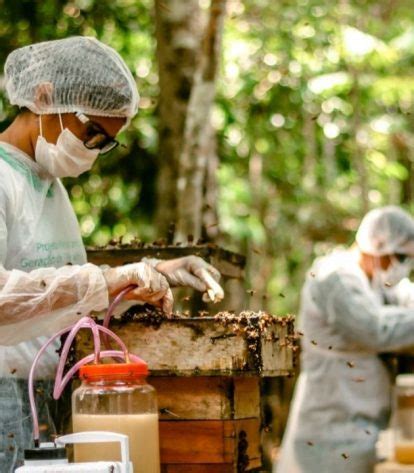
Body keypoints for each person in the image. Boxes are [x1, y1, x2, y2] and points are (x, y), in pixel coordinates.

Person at [0, 36, 223, 472]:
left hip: (51, 392)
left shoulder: (48, 185)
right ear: (45, 96)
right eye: (92, 132)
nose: (94, 149)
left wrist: (148, 275)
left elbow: (52, 282)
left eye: (106, 141)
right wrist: (103, 281)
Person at [276, 206, 414, 473]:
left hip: (364, 427)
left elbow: (407, 298)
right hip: (329, 425)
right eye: (398, 257)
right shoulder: (334, 275)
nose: (401, 267)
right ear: (377, 245)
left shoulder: (376, 281)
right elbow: (376, 329)